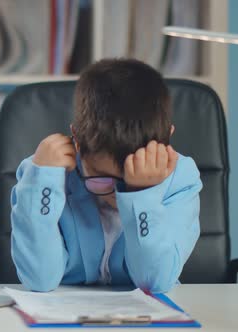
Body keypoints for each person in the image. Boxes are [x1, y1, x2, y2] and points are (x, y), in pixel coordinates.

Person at [11, 59, 201, 293]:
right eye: (103, 179)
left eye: (129, 179)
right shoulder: (43, 176)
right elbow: (39, 280)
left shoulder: (181, 179)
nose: (117, 195)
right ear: (77, 141)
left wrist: (142, 196)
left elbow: (154, 283)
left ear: (167, 139)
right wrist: (42, 183)